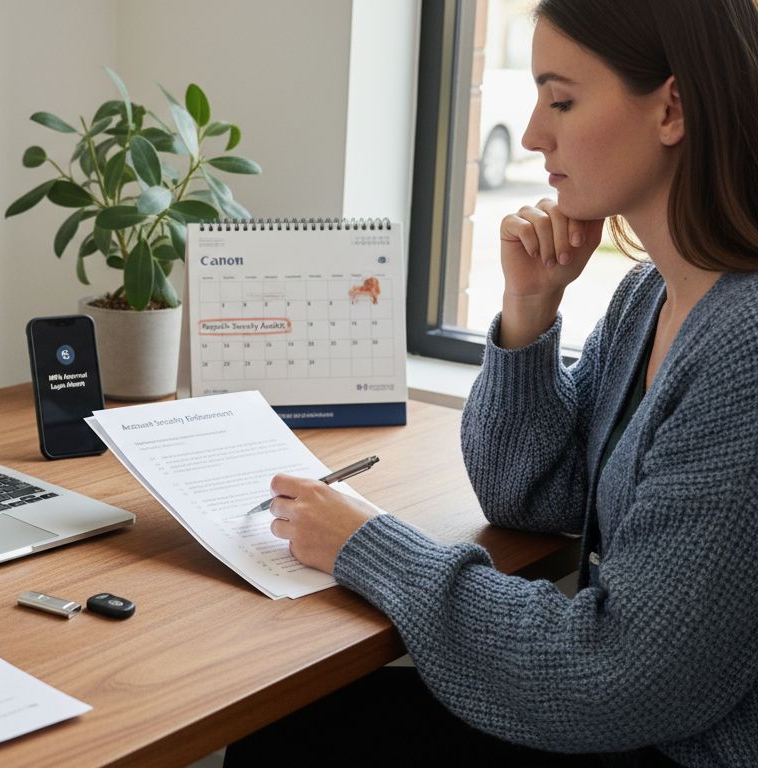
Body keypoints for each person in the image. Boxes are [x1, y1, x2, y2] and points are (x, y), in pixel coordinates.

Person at [225, 1, 758, 765]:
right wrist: (529, 312)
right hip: (645, 728)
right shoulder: (651, 297)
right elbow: (530, 494)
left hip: (678, 748)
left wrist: (368, 544)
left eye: (562, 99)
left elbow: (613, 676)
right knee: (288, 732)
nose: (537, 134)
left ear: (671, 108)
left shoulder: (744, 347)